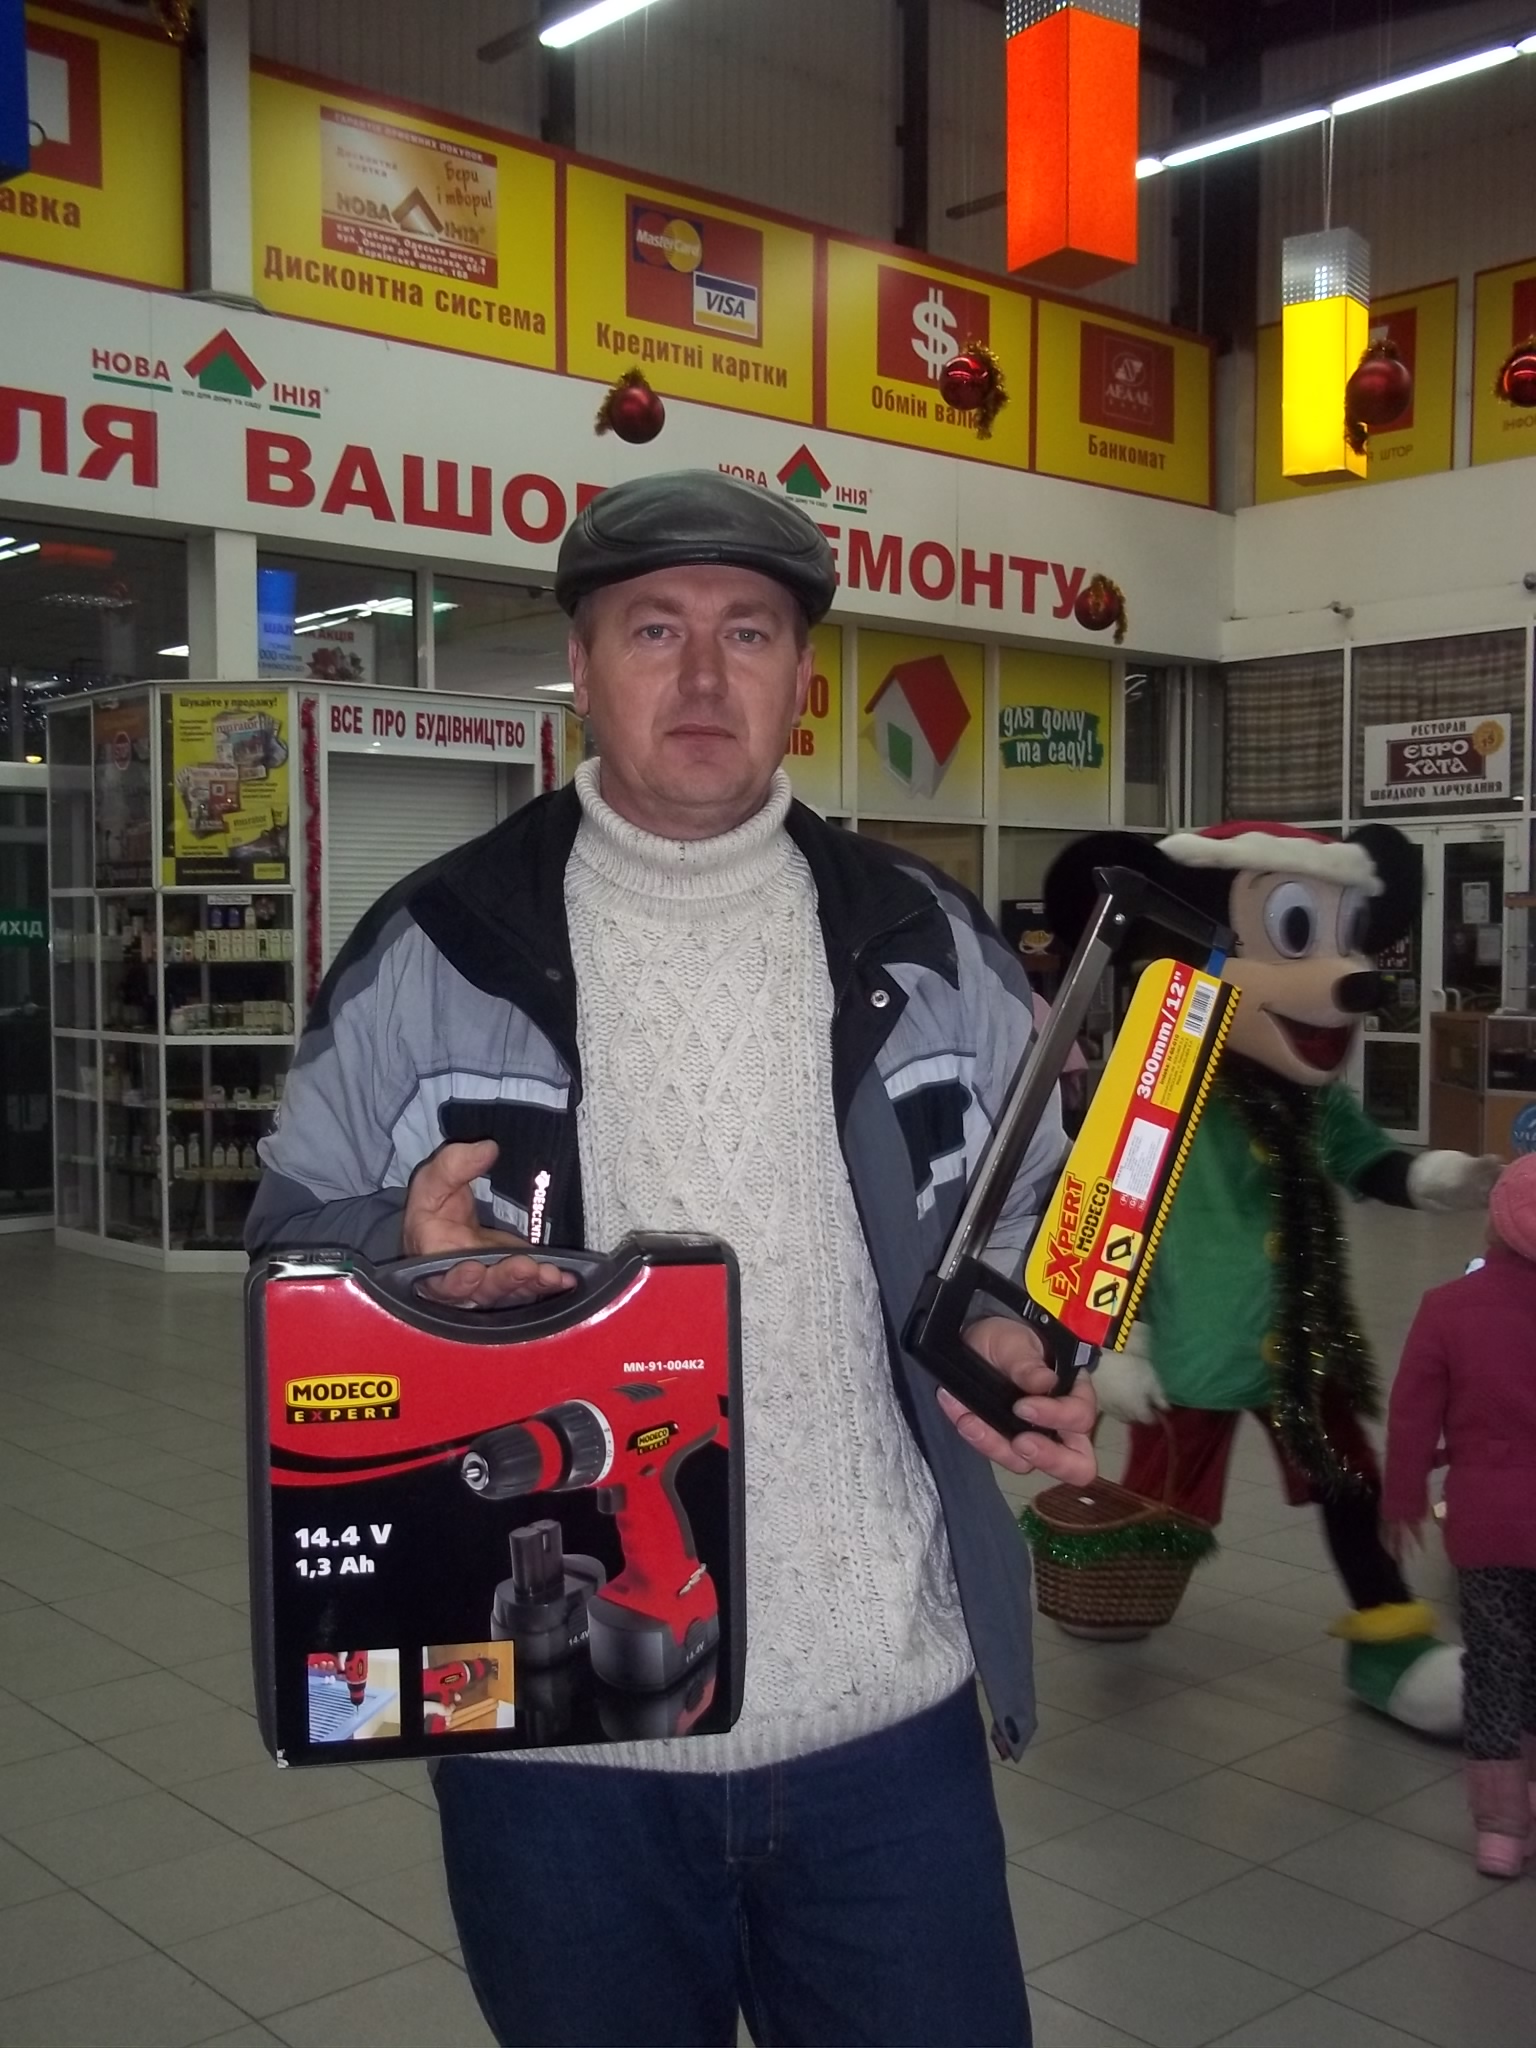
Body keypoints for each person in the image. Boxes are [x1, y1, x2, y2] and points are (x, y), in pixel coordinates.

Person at [248, 469, 1097, 2048]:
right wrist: (395, 1259)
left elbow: (1046, 1216)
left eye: (748, 633)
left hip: (886, 1723)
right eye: (655, 629)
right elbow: (287, 1238)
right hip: (557, 1764)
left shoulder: (927, 942)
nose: (704, 677)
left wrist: (1029, 1343)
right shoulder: (432, 948)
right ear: (580, 665)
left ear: (801, 679)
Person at [1383, 1153, 1536, 1877]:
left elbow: (1412, 1416)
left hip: (1486, 1523)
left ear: (1493, 1226)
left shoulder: (1447, 1308)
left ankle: (1501, 1831)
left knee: (1497, 1663)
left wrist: (1402, 1497)